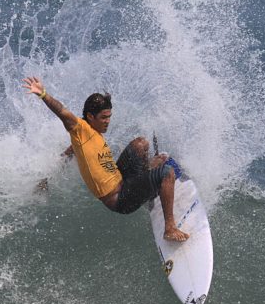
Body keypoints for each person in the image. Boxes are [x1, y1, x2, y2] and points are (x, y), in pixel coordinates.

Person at [22, 76, 189, 242]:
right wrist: (43, 94)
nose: (107, 121)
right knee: (167, 171)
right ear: (90, 116)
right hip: (120, 199)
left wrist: (48, 177)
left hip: (124, 181)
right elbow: (62, 112)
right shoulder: (80, 128)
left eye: (109, 116)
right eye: (103, 117)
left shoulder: (89, 137)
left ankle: (149, 185)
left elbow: (70, 152)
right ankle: (170, 229)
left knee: (141, 143)